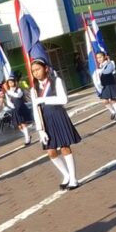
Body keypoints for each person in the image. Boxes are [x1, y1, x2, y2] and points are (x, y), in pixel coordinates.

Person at [31, 58, 81, 190]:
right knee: (51, 152)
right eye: (33, 71)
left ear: (46, 68)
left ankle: (74, 179)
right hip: (45, 121)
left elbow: (63, 99)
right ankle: (66, 175)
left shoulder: (56, 81)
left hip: (58, 116)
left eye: (38, 69)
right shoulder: (34, 89)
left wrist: (43, 99)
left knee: (65, 147)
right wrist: (40, 129)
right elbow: (36, 110)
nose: (35, 73)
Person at [3, 75, 33, 144]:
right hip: (15, 109)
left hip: (21, 107)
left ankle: (27, 139)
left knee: (23, 124)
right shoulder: (8, 93)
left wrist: (8, 91)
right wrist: (12, 106)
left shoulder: (18, 89)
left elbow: (18, 95)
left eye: (11, 82)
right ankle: (27, 135)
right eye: (9, 82)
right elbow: (8, 101)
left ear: (14, 82)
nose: (10, 84)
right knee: (19, 126)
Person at [93, 52, 116, 121]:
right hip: (104, 85)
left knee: (113, 99)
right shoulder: (99, 66)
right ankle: (112, 112)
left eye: (100, 57)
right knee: (104, 101)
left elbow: (108, 71)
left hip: (110, 83)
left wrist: (100, 71)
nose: (99, 59)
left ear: (104, 57)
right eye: (97, 58)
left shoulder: (109, 63)